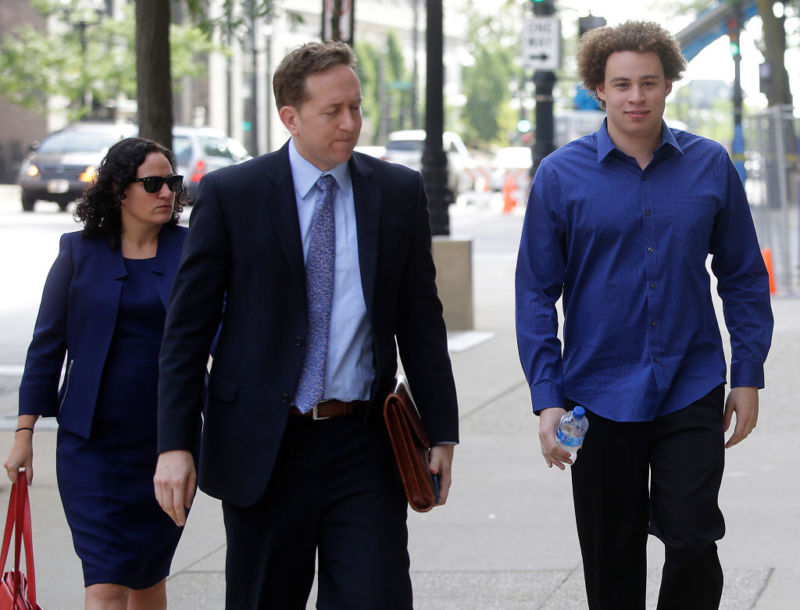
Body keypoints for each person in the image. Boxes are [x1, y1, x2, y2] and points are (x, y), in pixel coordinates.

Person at [153, 40, 459, 609]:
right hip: (265, 447)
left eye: (357, 107)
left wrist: (441, 429)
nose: (351, 123)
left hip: (364, 444)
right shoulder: (232, 195)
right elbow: (186, 332)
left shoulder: (396, 193)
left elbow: (421, 320)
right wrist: (175, 444)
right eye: (333, 111)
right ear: (289, 118)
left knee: (377, 597)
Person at [515, 21, 773, 610]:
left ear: (668, 86)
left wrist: (748, 374)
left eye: (649, 83)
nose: (637, 97)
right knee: (612, 554)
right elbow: (534, 292)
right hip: (598, 391)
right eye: (622, 84)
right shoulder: (560, 176)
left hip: (691, 383)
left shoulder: (710, 166)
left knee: (692, 540)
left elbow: (743, 277)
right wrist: (547, 395)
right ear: (598, 89)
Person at [4, 137, 190, 609]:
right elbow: (46, 347)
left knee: (148, 579)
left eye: (172, 182)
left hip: (166, 444)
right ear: (118, 191)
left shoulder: (191, 252)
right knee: (106, 583)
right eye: (153, 183)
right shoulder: (77, 253)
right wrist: (24, 433)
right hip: (91, 449)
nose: (166, 192)